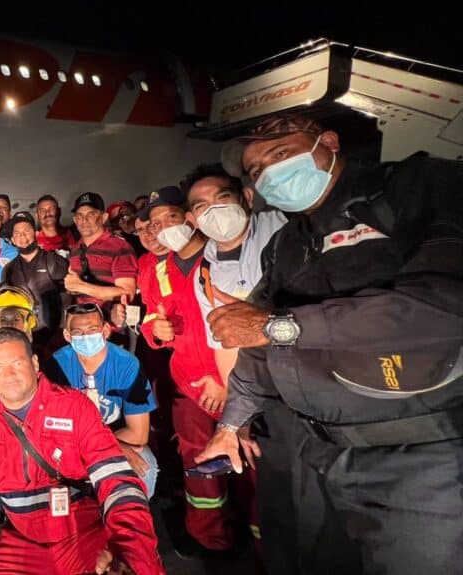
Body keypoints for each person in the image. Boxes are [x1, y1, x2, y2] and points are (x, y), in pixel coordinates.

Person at [196, 114, 463, 574]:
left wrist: (282, 326)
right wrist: (231, 422)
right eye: (257, 171)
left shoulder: (418, 186)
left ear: (329, 142)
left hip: (424, 459)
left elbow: (444, 308)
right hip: (319, 452)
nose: (269, 173)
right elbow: (254, 341)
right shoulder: (286, 245)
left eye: (279, 154)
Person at [0, 328, 165, 575]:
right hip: (23, 540)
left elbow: (117, 482)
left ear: (34, 363)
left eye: (17, 363)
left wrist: (128, 550)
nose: (9, 374)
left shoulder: (73, 407)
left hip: (81, 531)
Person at [138, 185, 241, 555]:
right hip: (190, 389)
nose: (163, 227)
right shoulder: (159, 268)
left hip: (236, 385)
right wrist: (154, 331)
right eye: (154, 222)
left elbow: (243, 324)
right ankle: (211, 540)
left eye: (171, 218)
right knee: (200, 469)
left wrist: (225, 381)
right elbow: (152, 316)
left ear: (191, 219)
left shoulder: (222, 259)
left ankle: (266, 546)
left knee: (250, 469)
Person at [183, 164, 286, 388]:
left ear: (247, 198)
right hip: (265, 383)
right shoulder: (204, 274)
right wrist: (236, 401)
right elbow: (224, 343)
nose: (214, 210)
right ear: (193, 219)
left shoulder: (285, 227)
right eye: (202, 207)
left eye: (222, 197)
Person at [46, 304, 159, 497]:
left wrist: (107, 445)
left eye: (92, 330)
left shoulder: (127, 364)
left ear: (106, 330)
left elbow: (139, 434)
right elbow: (50, 428)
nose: (86, 337)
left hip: (115, 435)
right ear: (67, 336)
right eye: (78, 332)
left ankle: (133, 521)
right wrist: (107, 447)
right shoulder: (56, 366)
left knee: (144, 462)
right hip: (71, 443)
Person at [0, 211, 70, 348]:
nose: (22, 236)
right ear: (13, 239)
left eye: (26, 230)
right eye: (17, 233)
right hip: (23, 338)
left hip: (55, 339)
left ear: (36, 233)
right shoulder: (8, 269)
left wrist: (61, 333)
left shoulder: (54, 261)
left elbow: (67, 300)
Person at [65, 193, 137, 318]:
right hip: (83, 323)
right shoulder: (76, 249)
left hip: (112, 327)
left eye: (91, 214)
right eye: (79, 215)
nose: (84, 220)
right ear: (75, 220)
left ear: (104, 218)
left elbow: (127, 293)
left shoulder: (120, 247)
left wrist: (81, 286)